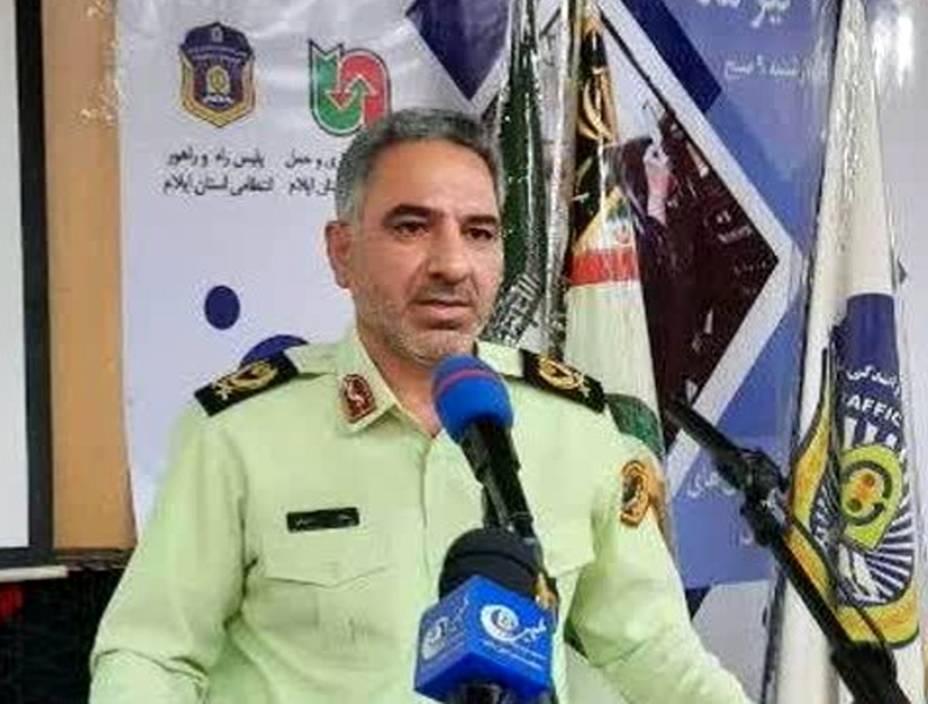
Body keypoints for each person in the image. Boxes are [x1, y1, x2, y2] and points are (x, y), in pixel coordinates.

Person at [89, 108, 751, 704]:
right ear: (342, 252)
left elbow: (649, 647)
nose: (452, 264)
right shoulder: (240, 435)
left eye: (480, 232)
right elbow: (152, 656)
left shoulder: (575, 425)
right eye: (412, 227)